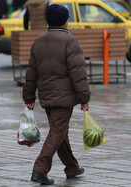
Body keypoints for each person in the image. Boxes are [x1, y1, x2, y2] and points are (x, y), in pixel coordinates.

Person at [23, 4, 91, 185]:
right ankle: (40, 169)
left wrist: (29, 96)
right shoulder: (70, 41)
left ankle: (72, 168)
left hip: (47, 96)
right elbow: (78, 73)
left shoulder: (38, 41)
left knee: (60, 131)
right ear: (65, 21)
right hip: (64, 97)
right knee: (57, 131)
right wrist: (84, 98)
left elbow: (31, 72)